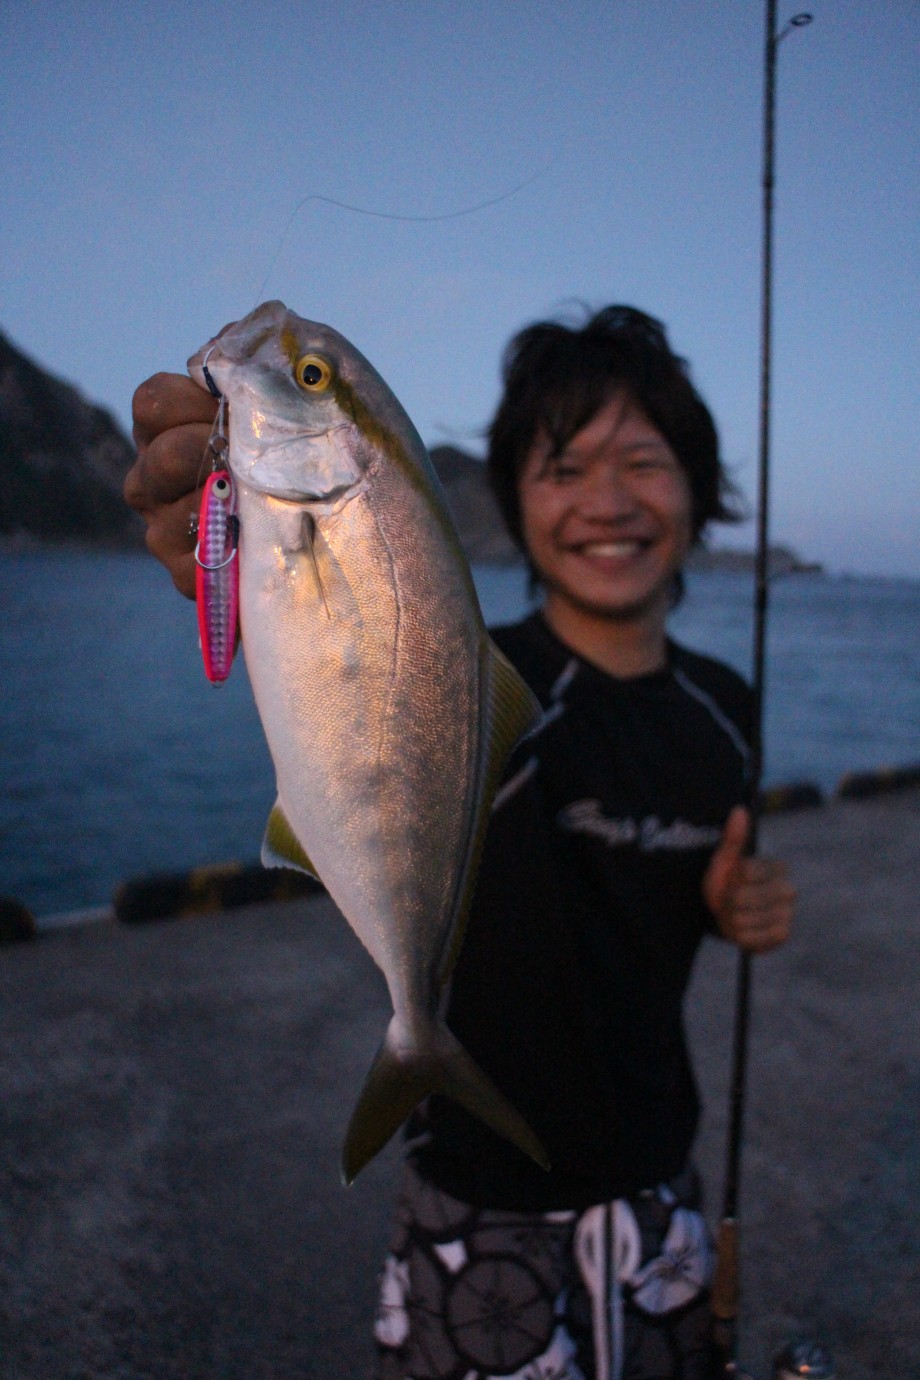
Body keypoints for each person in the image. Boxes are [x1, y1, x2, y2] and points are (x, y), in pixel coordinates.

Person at [126, 304, 795, 1380]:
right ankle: (417, 1042)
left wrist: (732, 905)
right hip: (471, 1200)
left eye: (641, 461)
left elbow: (665, 884)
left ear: (696, 482)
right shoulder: (460, 668)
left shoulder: (724, 706)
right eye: (563, 467)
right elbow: (371, 682)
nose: (607, 502)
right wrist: (232, 561)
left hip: (659, 1181)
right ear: (512, 501)